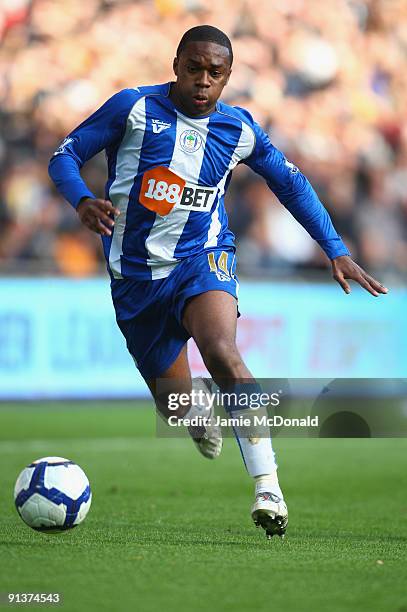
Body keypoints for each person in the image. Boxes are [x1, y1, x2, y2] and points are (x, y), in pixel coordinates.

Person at [48, 25, 388, 539]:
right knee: (179, 408)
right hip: (136, 278)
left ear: (228, 76)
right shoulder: (133, 109)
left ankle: (268, 484)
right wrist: (81, 199)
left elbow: (290, 183)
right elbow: (63, 155)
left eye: (215, 72)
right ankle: (198, 415)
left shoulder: (239, 129)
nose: (203, 81)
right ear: (176, 64)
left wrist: (335, 248)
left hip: (202, 258)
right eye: (194, 68)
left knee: (222, 350)